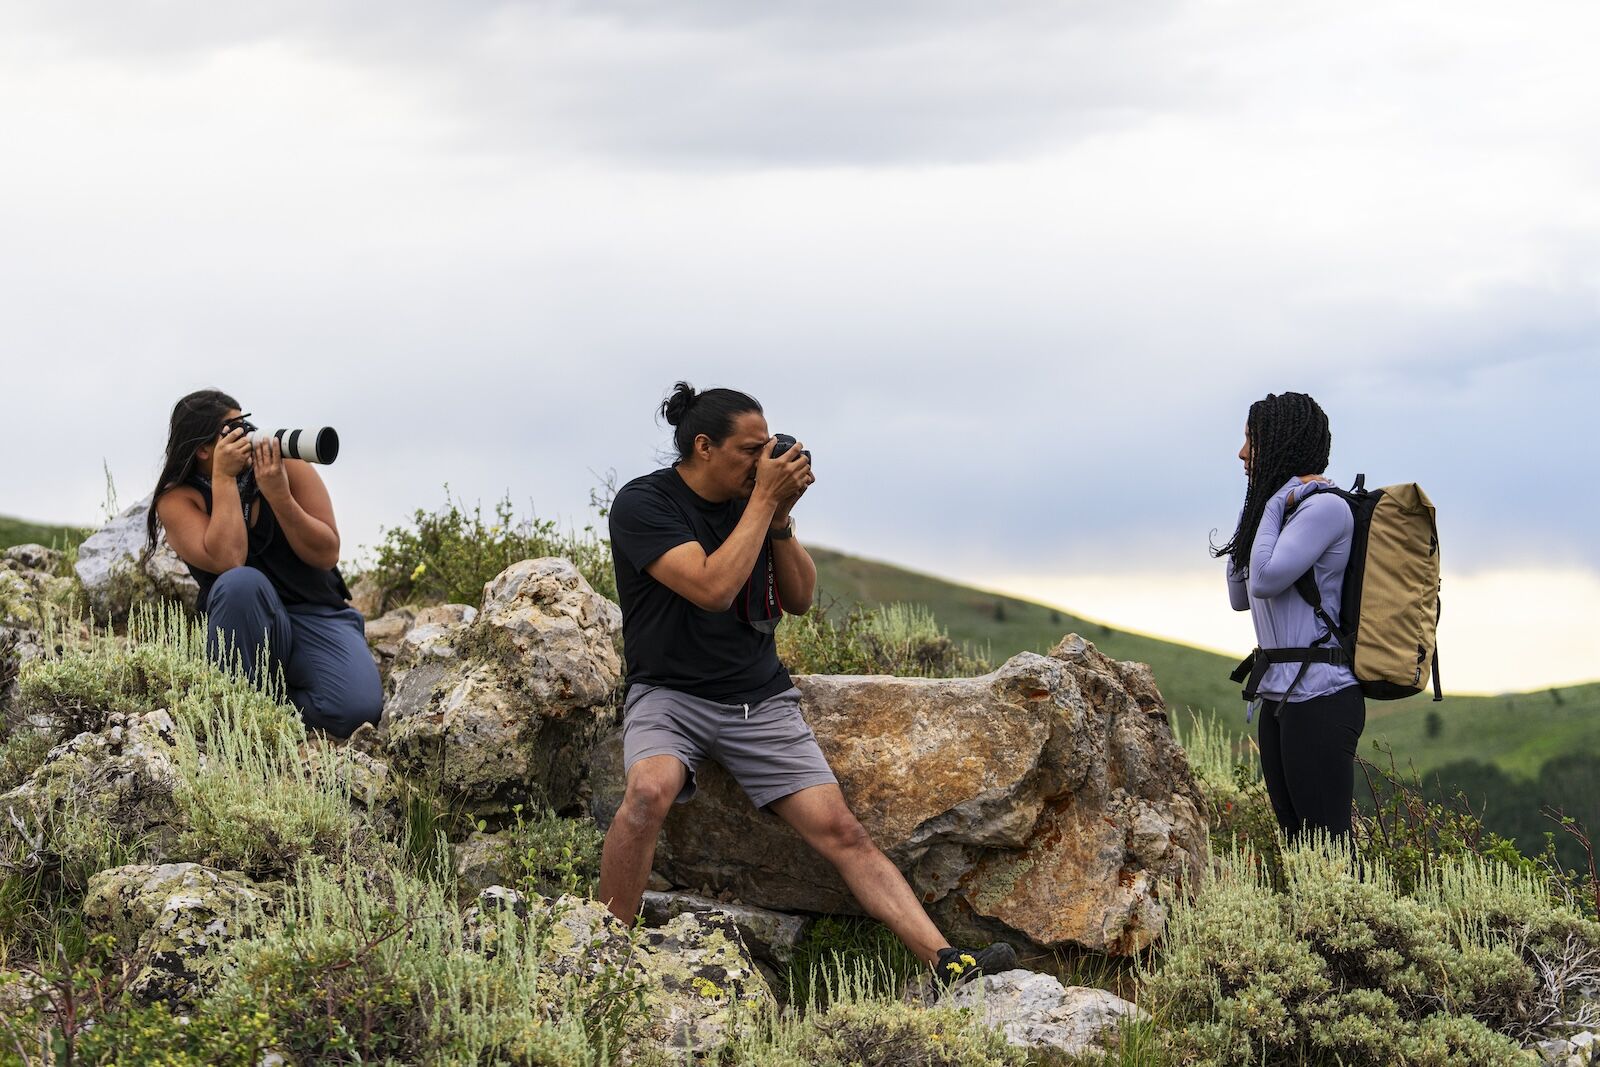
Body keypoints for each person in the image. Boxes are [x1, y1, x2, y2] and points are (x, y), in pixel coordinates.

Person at [599, 381, 1016, 985]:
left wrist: (779, 518)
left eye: (769, 447)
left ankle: (948, 962)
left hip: (757, 699)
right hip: (670, 695)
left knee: (842, 831)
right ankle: (605, 955)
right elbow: (712, 588)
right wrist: (764, 503)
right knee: (647, 792)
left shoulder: (758, 509)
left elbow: (798, 599)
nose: (764, 461)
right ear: (704, 447)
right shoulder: (645, 504)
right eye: (751, 450)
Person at [146, 389, 382, 737]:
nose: (245, 435)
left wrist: (278, 495)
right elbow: (229, 559)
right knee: (241, 582)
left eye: (246, 424)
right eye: (231, 430)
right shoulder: (178, 499)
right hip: (245, 620)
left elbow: (326, 553)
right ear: (203, 449)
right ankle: (238, 716)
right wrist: (224, 479)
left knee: (355, 711)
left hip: (315, 611)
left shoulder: (284, 467)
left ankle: (273, 708)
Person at [1215, 391, 1364, 841]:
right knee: (1298, 845)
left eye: (1251, 440)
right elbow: (1240, 595)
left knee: (1329, 849)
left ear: (1283, 442)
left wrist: (1273, 504)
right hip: (1278, 698)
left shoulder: (1325, 509)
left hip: (1321, 696)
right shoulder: (1279, 513)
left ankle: (1353, 914)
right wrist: (1259, 509)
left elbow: (1263, 579)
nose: (1242, 453)